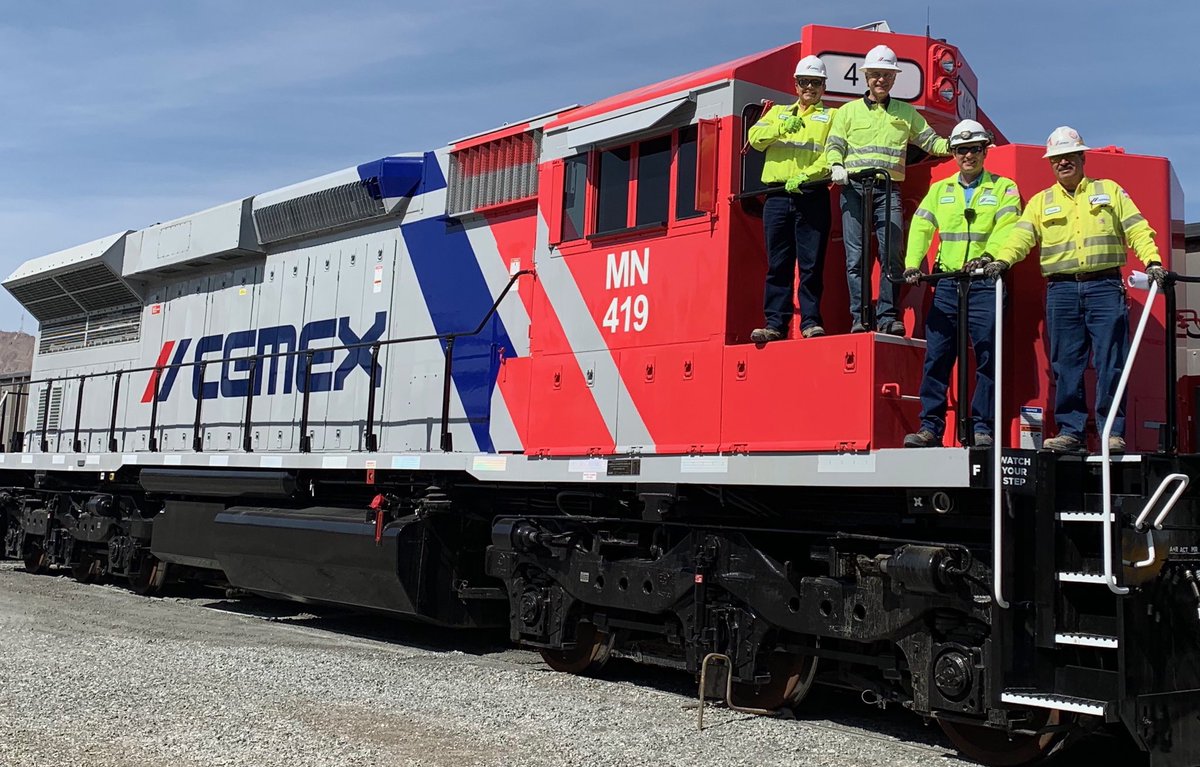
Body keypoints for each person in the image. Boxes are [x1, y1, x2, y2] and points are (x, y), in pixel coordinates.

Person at [985, 126, 1165, 453]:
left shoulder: (1109, 191)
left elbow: (1137, 228)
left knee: (1112, 360)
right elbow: (1020, 238)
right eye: (1056, 158)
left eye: (1069, 156)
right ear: (1050, 164)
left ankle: (1112, 431)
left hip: (1105, 287)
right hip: (1061, 291)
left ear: (1082, 157)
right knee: (1066, 363)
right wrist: (1001, 261)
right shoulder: (1041, 202)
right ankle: (1071, 432)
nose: (1063, 163)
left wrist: (1152, 260)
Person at [902, 120, 1021, 449]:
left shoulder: (1004, 188)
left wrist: (988, 257)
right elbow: (922, 228)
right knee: (937, 356)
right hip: (947, 284)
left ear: (985, 151)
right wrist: (913, 265)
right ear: (953, 153)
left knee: (987, 356)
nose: (968, 155)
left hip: (985, 283)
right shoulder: (940, 190)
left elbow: (1008, 226)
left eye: (974, 149)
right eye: (961, 149)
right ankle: (930, 428)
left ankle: (983, 426)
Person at [826, 44, 951, 335]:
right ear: (866, 76)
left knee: (892, 254)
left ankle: (887, 315)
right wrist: (835, 165)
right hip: (854, 188)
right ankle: (858, 317)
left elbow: (932, 142)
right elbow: (834, 144)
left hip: (888, 189)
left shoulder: (906, 114)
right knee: (855, 257)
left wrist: (961, 146)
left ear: (894, 79)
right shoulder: (847, 113)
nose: (881, 80)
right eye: (876, 74)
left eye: (886, 75)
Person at [748, 55, 834, 342]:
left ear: (823, 87)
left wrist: (807, 176)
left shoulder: (832, 117)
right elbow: (755, 138)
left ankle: (810, 322)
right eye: (805, 82)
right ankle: (775, 324)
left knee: (811, 265)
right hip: (776, 195)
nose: (809, 87)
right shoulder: (778, 112)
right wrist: (782, 128)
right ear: (796, 85)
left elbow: (832, 155)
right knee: (778, 264)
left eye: (816, 83)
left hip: (812, 193)